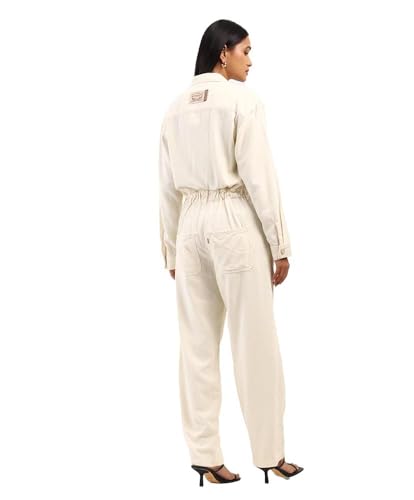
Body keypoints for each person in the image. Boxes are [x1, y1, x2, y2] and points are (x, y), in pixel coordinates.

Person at [158, 19, 304, 486]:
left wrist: (172, 251)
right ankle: (270, 454)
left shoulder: (174, 109)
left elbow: (166, 187)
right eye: (246, 50)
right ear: (223, 52)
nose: (250, 60)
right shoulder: (242, 101)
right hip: (233, 223)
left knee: (196, 346)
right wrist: (279, 244)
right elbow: (259, 176)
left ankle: (206, 458)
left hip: (189, 228)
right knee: (254, 341)